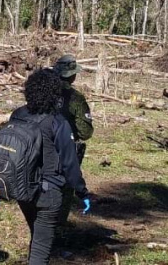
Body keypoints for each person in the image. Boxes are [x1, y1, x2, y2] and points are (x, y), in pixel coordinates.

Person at [10, 68, 91, 265]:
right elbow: (70, 163)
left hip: (22, 190)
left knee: (38, 238)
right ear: (55, 94)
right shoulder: (57, 122)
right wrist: (82, 192)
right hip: (48, 193)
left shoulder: (18, 115)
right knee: (40, 250)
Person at [53, 54, 93, 223]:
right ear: (72, 75)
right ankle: (57, 226)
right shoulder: (76, 98)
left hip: (39, 148)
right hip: (66, 150)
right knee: (64, 191)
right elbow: (85, 132)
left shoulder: (42, 91)